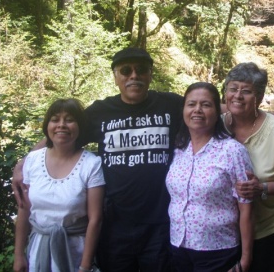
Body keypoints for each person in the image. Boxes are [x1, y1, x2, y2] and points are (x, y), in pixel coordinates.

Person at [12, 48, 184, 272]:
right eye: (125, 70)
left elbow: (209, 111)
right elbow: (59, 136)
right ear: (116, 77)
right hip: (115, 224)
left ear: (150, 74)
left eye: (141, 70)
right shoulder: (101, 111)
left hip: (160, 220)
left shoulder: (170, 105)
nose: (134, 76)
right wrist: (22, 164)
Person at [223, 62, 274, 272]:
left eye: (247, 91)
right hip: (226, 230)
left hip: (267, 229)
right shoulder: (218, 125)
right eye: (233, 89)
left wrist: (262, 188)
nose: (238, 96)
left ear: (259, 98)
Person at [166, 82, 254, 272]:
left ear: (217, 112)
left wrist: (246, 260)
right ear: (183, 110)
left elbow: (246, 209)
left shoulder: (233, 151)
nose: (197, 110)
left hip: (217, 250)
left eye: (205, 105)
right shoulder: (179, 150)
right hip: (178, 246)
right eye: (191, 104)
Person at [13, 98, 105, 272]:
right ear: (47, 126)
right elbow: (24, 210)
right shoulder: (32, 161)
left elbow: (95, 219)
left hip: (76, 252)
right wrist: (19, 255)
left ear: (80, 126)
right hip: (38, 250)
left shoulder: (91, 164)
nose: (61, 125)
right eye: (55, 119)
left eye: (69, 120)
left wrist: (85, 266)